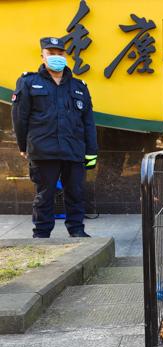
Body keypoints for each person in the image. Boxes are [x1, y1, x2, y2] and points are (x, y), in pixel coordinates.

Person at [11, 37, 98, 238]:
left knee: (75, 194)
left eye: (60, 54)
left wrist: (91, 151)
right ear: (42, 56)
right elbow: (19, 118)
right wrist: (24, 146)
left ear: (66, 56)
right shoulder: (29, 82)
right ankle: (41, 234)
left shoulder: (79, 87)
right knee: (44, 196)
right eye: (51, 54)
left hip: (73, 150)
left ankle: (77, 231)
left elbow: (88, 122)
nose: (56, 57)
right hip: (43, 151)